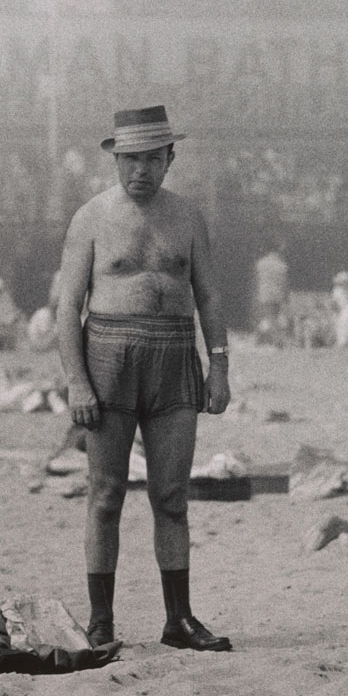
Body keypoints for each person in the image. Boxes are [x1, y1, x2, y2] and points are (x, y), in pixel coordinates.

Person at [57, 104, 231, 652]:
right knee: (106, 495)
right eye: (131, 159)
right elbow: (68, 307)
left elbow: (207, 295)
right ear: (115, 159)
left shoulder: (187, 216)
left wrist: (220, 363)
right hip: (109, 355)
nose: (141, 171)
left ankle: (177, 619)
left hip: (175, 356)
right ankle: (101, 621)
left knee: (172, 496)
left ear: (169, 159)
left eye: (152, 159)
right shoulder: (90, 216)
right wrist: (77, 382)